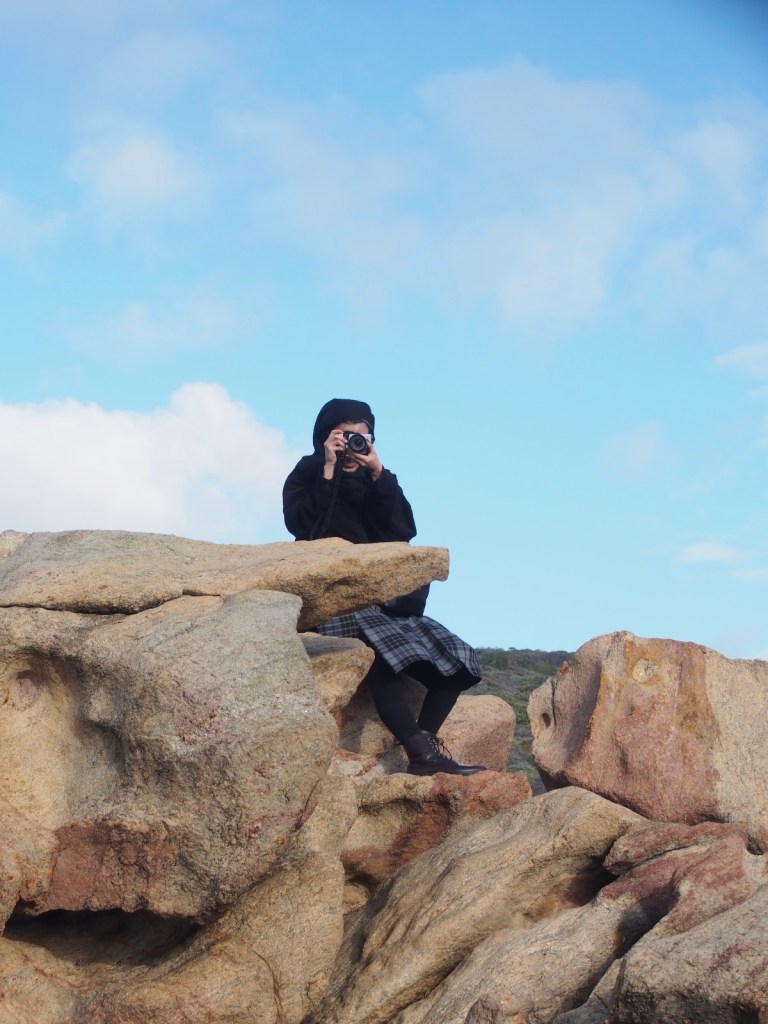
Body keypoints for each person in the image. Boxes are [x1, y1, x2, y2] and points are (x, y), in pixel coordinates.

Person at [283, 398, 487, 776]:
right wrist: (328, 468)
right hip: (337, 599)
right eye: (343, 436)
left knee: (459, 660)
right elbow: (304, 528)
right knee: (382, 660)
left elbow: (403, 532)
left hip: (389, 603)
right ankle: (419, 753)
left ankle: (424, 743)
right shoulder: (308, 473)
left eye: (362, 438)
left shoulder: (376, 479)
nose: (352, 444)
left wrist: (378, 474)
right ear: (324, 437)